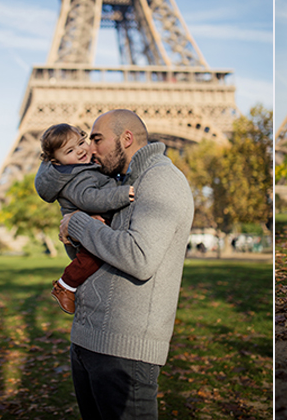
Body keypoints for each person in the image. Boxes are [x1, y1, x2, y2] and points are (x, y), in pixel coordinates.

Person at [58, 109, 194, 420]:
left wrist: (79, 224)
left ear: (126, 138)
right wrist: (75, 234)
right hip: (88, 341)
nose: (89, 148)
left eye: (97, 139)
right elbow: (96, 256)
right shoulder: (115, 187)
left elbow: (140, 257)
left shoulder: (161, 180)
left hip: (124, 353)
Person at [34, 123, 135, 314]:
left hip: (93, 223)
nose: (80, 150)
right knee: (92, 259)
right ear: (57, 162)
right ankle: (66, 285)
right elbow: (89, 198)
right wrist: (121, 194)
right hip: (86, 227)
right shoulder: (76, 176)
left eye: (81, 142)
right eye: (70, 150)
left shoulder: (83, 169)